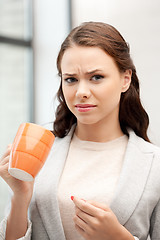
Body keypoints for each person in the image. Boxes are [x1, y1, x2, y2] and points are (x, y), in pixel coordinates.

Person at [0, 21, 160, 240]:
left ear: (125, 79)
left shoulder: (154, 165)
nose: (81, 92)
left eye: (96, 77)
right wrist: (20, 196)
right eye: (71, 79)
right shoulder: (41, 152)